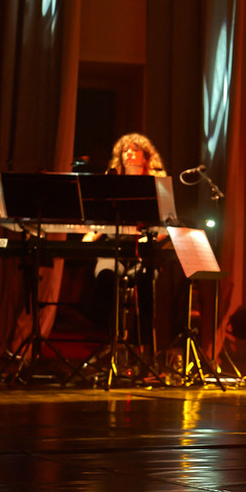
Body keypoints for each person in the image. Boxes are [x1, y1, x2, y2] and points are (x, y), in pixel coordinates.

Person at [85, 133, 168, 354]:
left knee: (146, 278)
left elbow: (167, 224)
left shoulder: (158, 184)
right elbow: (99, 219)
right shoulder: (110, 182)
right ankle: (111, 341)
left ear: (146, 158)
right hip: (113, 250)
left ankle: (142, 348)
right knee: (106, 277)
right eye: (125, 150)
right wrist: (92, 233)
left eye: (135, 150)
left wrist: (149, 237)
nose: (128, 153)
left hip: (143, 253)